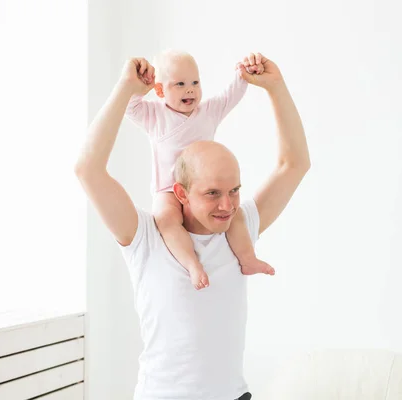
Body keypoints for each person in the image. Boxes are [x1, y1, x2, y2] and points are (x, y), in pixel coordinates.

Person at [75, 52, 311, 400]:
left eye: (234, 191)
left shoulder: (238, 226)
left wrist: (275, 87)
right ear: (181, 194)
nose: (227, 205)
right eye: (213, 193)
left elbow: (294, 165)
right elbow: (88, 169)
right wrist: (126, 88)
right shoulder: (147, 237)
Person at [124, 49, 272, 290]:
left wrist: (242, 73)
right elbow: (130, 108)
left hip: (205, 189)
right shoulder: (155, 115)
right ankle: (192, 264)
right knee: (166, 221)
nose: (190, 89)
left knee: (233, 216)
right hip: (168, 191)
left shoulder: (208, 112)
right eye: (180, 84)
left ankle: (247, 259)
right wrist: (138, 85)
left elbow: (230, 96)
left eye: (195, 82)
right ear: (160, 90)